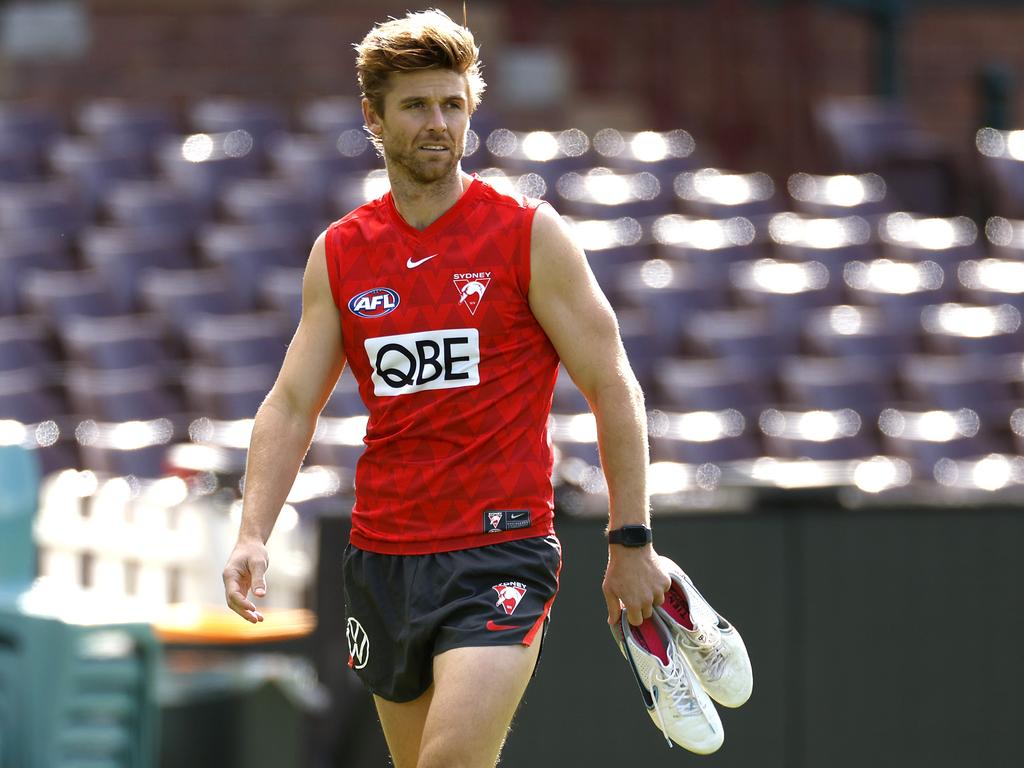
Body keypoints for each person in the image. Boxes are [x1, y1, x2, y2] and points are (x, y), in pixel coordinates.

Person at [222, 9, 673, 767]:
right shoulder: (340, 253)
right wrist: (252, 531)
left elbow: (613, 384)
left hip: (501, 551)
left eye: (453, 104)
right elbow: (292, 403)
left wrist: (631, 540)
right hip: (384, 558)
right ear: (374, 116)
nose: (439, 122)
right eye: (417, 105)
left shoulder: (529, 234)